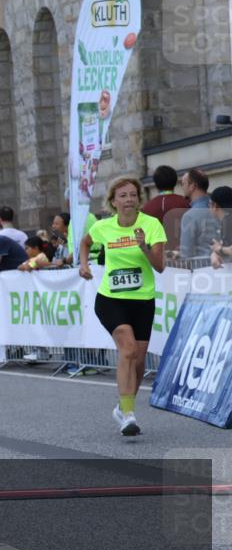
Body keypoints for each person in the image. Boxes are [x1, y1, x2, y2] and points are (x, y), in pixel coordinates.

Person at [79, 176, 166, 437]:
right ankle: (128, 416)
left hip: (142, 300)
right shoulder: (104, 227)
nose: (129, 199)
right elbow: (85, 242)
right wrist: (84, 265)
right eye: (123, 195)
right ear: (113, 202)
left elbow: (160, 266)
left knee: (138, 361)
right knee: (127, 350)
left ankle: (123, 406)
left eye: (133, 195)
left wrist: (144, 246)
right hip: (111, 299)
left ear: (139, 199)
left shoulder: (151, 225)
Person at [141, 165, 188, 253]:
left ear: (155, 183)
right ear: (175, 181)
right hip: (182, 252)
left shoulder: (147, 207)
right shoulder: (184, 202)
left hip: (157, 254)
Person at [178, 168, 221, 259]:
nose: (182, 187)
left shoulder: (190, 216)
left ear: (192, 186)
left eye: (183, 184)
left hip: (202, 269)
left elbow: (186, 254)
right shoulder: (220, 207)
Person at [208, 186, 232, 268]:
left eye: (209, 204)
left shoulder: (228, 222)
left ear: (215, 205)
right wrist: (215, 253)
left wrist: (219, 249)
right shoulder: (226, 221)